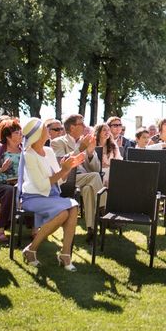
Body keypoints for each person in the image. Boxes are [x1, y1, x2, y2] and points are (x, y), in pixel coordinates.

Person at [19, 118, 84, 271]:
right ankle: (31, 249)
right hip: (32, 198)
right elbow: (42, 185)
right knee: (63, 213)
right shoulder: (29, 155)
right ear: (36, 134)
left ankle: (65, 254)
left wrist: (68, 167)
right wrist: (63, 170)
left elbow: (60, 180)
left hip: (51, 196)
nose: (47, 131)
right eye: (43, 129)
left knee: (73, 208)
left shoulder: (48, 151)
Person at [51, 114, 105, 244]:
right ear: (72, 127)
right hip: (66, 178)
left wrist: (91, 153)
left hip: (85, 178)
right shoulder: (57, 142)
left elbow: (96, 168)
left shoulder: (84, 141)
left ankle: (91, 230)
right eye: (81, 124)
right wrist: (80, 149)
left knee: (87, 189)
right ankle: (104, 207)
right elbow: (61, 163)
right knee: (95, 177)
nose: (85, 126)